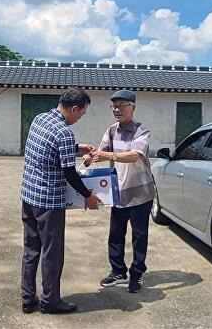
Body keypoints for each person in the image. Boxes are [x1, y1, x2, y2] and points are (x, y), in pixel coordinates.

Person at [20, 87, 102, 315]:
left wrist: (77, 148)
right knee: (52, 254)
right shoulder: (64, 132)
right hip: (48, 203)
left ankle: (27, 299)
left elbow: (49, 149)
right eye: (82, 114)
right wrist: (88, 196)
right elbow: (69, 173)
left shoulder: (40, 119)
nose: (80, 118)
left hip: (28, 196)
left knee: (31, 249)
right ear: (74, 109)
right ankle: (50, 301)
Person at [86, 89, 156, 293]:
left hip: (140, 192)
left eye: (122, 106)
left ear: (132, 107)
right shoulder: (111, 130)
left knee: (139, 235)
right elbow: (99, 151)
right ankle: (118, 271)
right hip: (118, 192)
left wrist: (108, 155)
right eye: (114, 106)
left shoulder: (141, 130)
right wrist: (90, 158)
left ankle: (137, 274)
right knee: (116, 234)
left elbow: (134, 155)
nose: (117, 110)